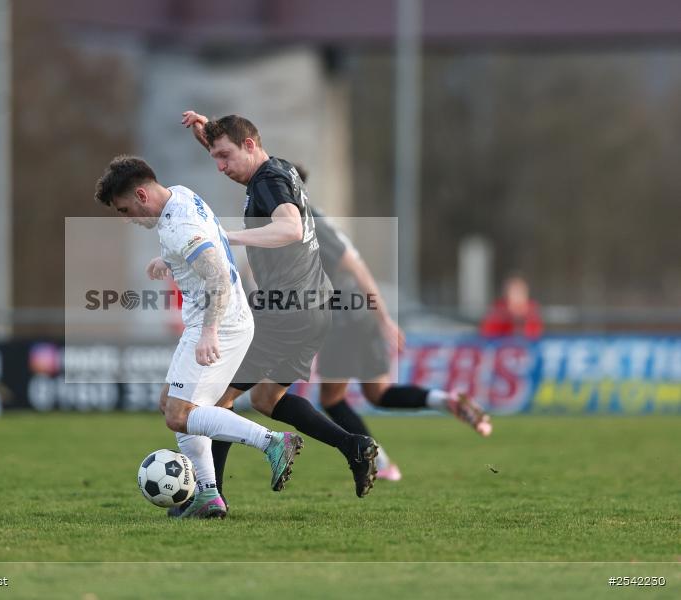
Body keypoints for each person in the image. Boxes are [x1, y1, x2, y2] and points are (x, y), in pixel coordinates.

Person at [178, 111, 381, 505]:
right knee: (265, 399)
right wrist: (211, 136)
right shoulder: (279, 168)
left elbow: (289, 227)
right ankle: (353, 445)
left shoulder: (267, 181)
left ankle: (210, 496)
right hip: (314, 308)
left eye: (225, 157)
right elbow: (238, 147)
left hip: (285, 310)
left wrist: (227, 237)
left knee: (216, 399)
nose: (220, 167)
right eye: (214, 158)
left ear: (250, 146)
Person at [94, 155, 303, 519]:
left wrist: (209, 332)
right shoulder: (179, 195)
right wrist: (171, 262)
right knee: (171, 403)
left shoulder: (178, 226)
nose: (127, 219)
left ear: (142, 194)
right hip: (217, 320)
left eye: (126, 210)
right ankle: (208, 496)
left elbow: (220, 275)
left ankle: (272, 442)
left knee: (179, 414)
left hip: (219, 322)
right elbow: (211, 240)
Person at [293, 165, 492, 484]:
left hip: (345, 315)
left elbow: (354, 265)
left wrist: (385, 318)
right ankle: (445, 400)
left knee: (331, 399)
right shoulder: (310, 217)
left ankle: (380, 461)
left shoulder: (308, 222)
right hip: (360, 313)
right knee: (378, 393)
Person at [480, 274, 543, 338]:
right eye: (514, 293)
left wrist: (522, 321)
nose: (518, 298)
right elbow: (487, 336)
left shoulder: (532, 313)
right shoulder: (497, 313)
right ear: (507, 296)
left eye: (521, 293)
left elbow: (535, 336)